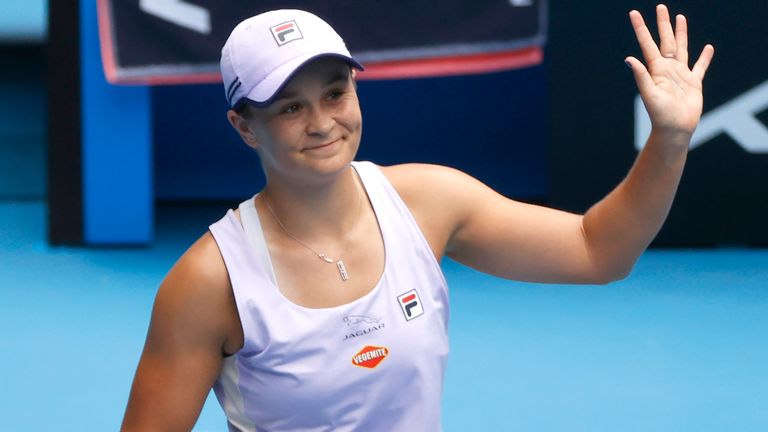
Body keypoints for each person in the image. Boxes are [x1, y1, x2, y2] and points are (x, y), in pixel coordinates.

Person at [121, 5, 714, 431]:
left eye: (334, 93)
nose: (323, 122)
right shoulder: (208, 283)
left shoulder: (428, 200)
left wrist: (669, 139)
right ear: (244, 126)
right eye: (289, 108)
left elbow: (597, 251)